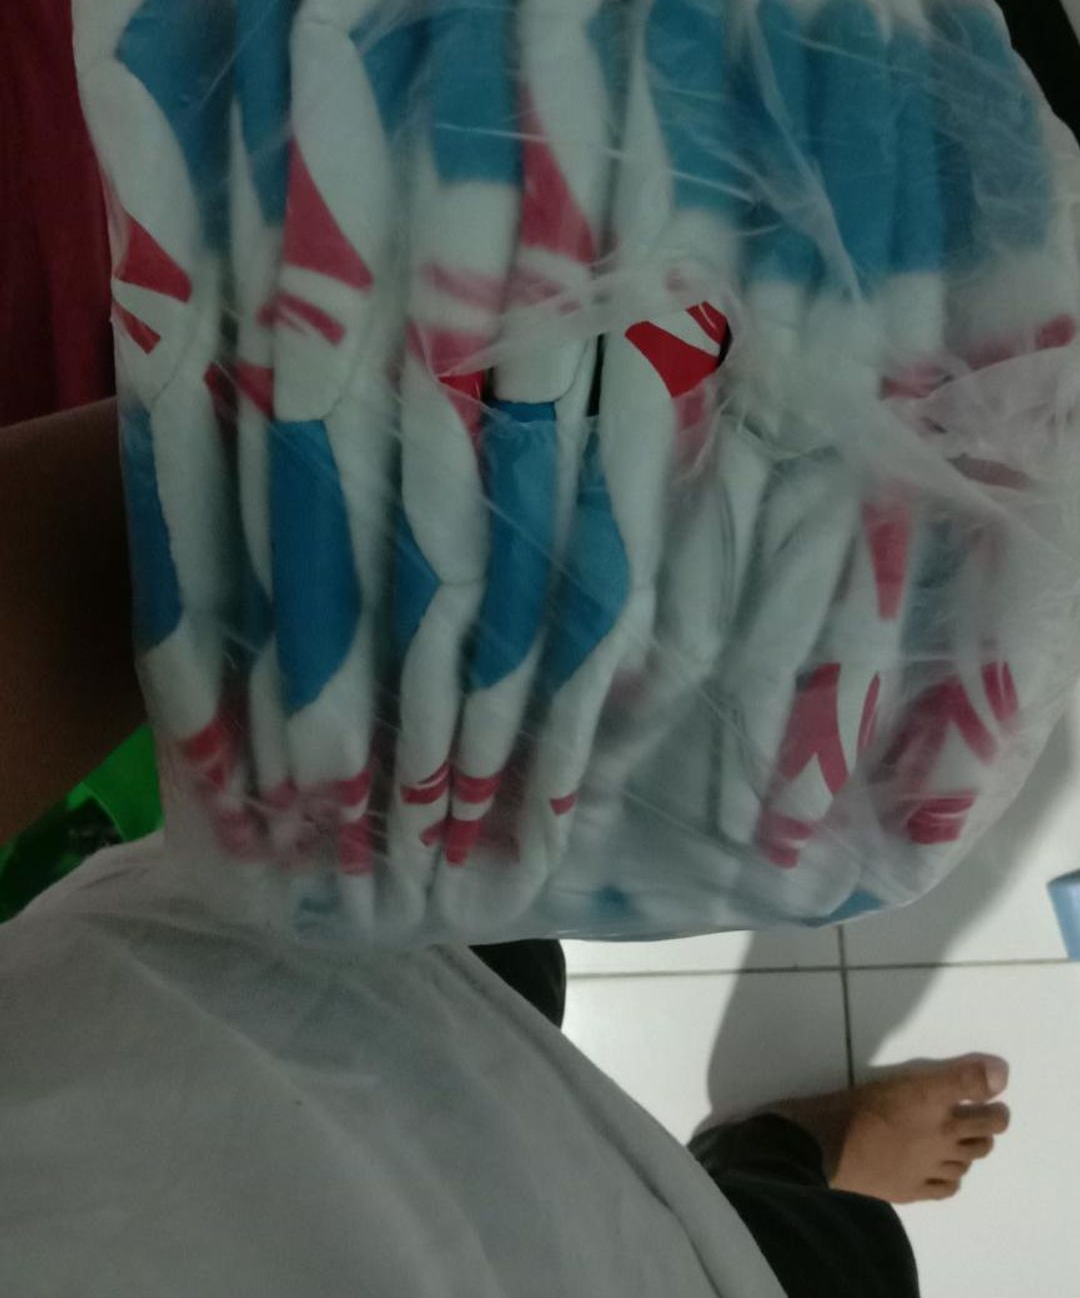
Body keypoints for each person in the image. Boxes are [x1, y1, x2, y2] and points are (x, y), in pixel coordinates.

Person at [0, 399, 1011, 1296]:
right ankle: (784, 1152)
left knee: (493, 929)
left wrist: (293, 463)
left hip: (263, 985)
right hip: (631, 1256)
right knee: (853, 1258)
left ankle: (771, 1146)